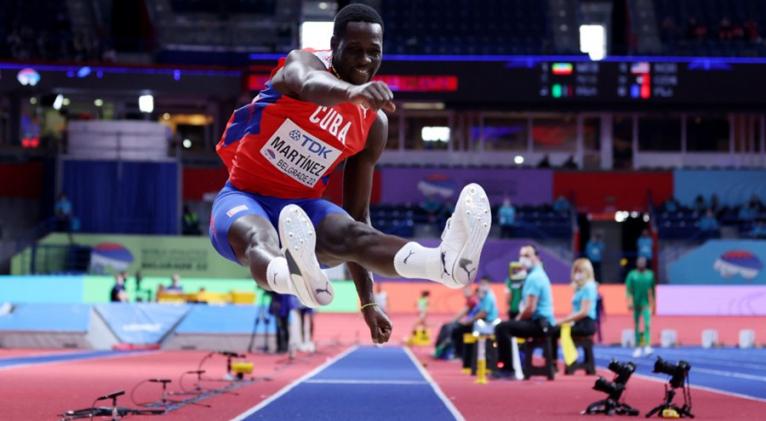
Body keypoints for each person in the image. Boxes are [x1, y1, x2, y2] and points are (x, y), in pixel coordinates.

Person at [208, 4, 491, 344]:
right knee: (258, 238)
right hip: (244, 197)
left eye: (374, 52)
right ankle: (294, 277)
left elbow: (359, 212)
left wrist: (368, 301)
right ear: (334, 45)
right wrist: (353, 94)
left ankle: (441, 264)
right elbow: (310, 83)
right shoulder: (303, 62)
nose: (365, 61)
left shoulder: (373, 125)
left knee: (357, 235)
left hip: (304, 214)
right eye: (354, 50)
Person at [493, 245, 555, 378]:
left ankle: (508, 370)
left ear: (536, 257)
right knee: (507, 326)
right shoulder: (533, 275)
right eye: (521, 255)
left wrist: (516, 320)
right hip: (541, 322)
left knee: (502, 328)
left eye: (527, 255)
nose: (523, 259)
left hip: (541, 324)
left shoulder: (534, 277)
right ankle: (515, 365)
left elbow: (530, 309)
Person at [450, 278, 498, 359]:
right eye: (481, 284)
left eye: (484, 284)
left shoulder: (489, 297)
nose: (482, 286)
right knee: (458, 328)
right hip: (481, 322)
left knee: (458, 330)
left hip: (487, 324)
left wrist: (469, 321)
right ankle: (460, 353)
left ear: (489, 285)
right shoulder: (483, 296)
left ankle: (459, 354)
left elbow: (483, 314)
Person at [556, 258, 598, 337]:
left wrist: (563, 321)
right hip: (578, 322)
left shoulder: (588, 287)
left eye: (580, 271)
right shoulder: (579, 288)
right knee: (556, 328)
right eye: (576, 271)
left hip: (586, 324)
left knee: (554, 330)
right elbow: (575, 311)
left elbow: (584, 312)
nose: (577, 274)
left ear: (587, 272)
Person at [625, 256, 655, 358]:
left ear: (646, 264)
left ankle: (647, 345)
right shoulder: (632, 275)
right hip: (636, 305)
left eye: (643, 262)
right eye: (640, 262)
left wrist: (653, 304)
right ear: (637, 263)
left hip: (646, 304)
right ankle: (638, 346)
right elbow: (628, 290)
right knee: (637, 326)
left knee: (647, 325)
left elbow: (652, 290)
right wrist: (629, 302)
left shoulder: (650, 275)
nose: (641, 264)